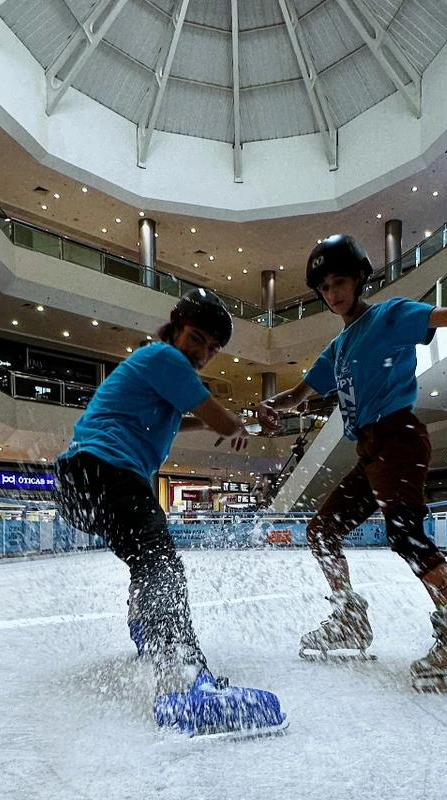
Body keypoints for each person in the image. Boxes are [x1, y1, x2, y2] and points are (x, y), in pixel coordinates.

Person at [258, 234, 447, 690]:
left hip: (399, 437)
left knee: (404, 532)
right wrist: (271, 405)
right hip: (369, 451)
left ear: (360, 278)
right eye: (324, 288)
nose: (333, 293)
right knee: (321, 531)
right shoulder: (338, 348)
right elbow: (299, 394)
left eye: (340, 282)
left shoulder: (389, 316)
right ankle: (350, 618)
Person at [56, 289, 286, 736]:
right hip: (103, 469)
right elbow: (219, 419)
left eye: (212, 349)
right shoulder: (163, 356)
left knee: (147, 559)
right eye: (197, 338)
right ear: (175, 328)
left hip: (83, 481)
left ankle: (146, 628)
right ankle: (185, 676)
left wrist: (234, 419)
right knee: (160, 563)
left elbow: (187, 416)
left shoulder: (158, 371)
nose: (202, 353)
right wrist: (235, 423)